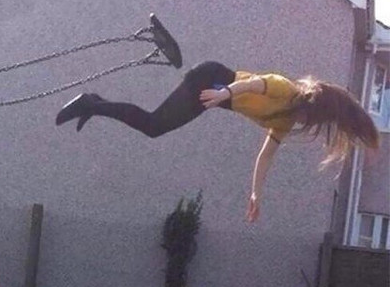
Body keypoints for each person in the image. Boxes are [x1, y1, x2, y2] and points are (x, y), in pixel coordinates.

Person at [55, 61, 380, 222]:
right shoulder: (286, 89)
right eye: (312, 118)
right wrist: (225, 93)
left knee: (153, 126)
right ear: (311, 104)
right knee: (154, 125)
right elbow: (254, 84)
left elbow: (266, 156)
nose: (307, 124)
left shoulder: (286, 119)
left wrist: (256, 192)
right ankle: (91, 103)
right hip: (211, 80)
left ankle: (95, 104)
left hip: (216, 94)